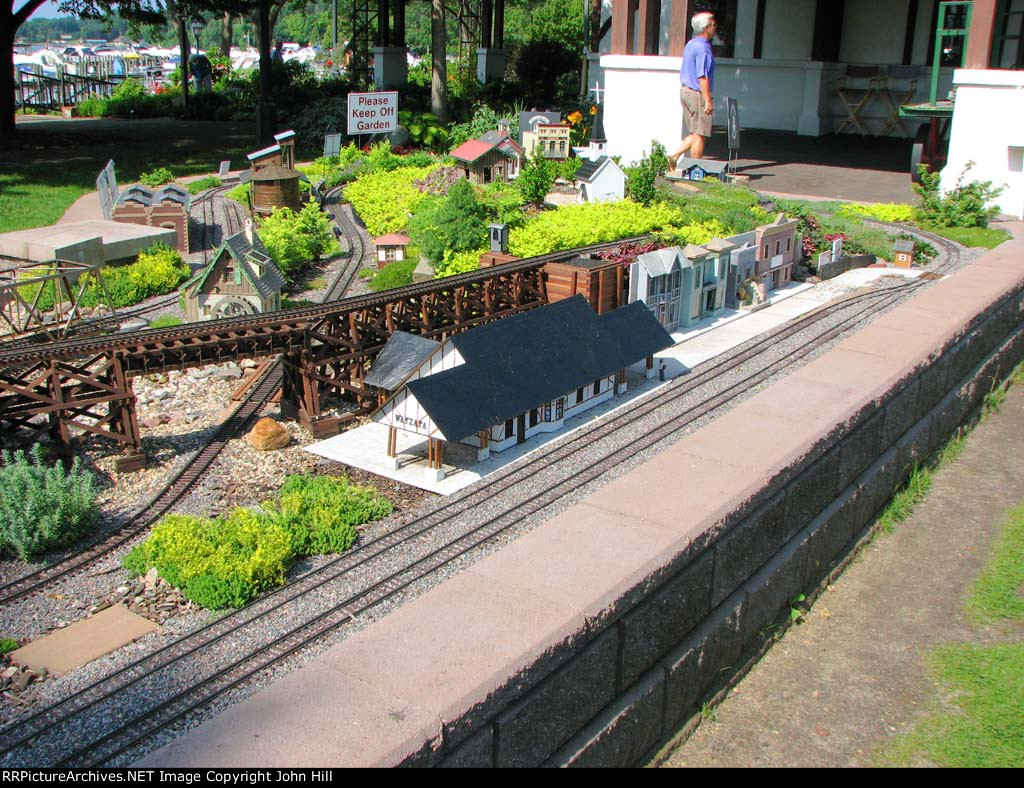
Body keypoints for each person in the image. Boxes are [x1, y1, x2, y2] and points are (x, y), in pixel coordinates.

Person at [668, 12, 717, 171]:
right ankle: (696, 169)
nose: (715, 28)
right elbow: (702, 76)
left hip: (685, 91)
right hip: (697, 94)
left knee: (696, 133)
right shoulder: (703, 48)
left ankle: (674, 158)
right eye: (713, 25)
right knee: (700, 135)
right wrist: (708, 100)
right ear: (706, 27)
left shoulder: (691, 44)